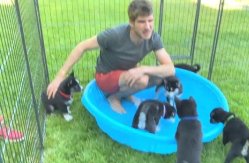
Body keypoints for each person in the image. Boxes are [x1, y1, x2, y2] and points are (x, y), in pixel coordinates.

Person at [47, 0, 175, 113]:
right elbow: (82, 46)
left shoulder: (153, 38)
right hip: (105, 76)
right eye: (142, 22)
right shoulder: (114, 35)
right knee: (142, 80)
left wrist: (143, 69)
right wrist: (60, 75)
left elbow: (170, 68)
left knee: (162, 77)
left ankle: (126, 92)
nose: (148, 27)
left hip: (126, 73)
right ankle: (114, 97)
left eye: (150, 20)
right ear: (131, 22)